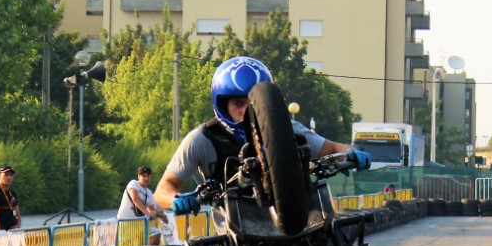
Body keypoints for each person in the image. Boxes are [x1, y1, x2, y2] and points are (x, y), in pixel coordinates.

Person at [153, 56, 370, 217]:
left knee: (332, 236)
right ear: (222, 104)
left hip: (294, 213)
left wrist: (351, 153)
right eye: (238, 104)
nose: (246, 112)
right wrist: (176, 200)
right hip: (235, 224)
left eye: (252, 104)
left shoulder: (287, 129)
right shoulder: (201, 139)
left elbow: (331, 149)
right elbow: (163, 188)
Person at [0, 165, 21, 230]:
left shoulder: (12, 193)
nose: (9, 177)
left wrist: (18, 225)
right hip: (0, 234)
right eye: (6, 175)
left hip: (12, 233)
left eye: (11, 175)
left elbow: (18, 214)